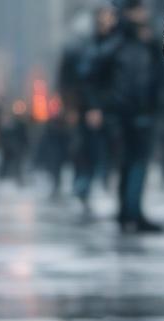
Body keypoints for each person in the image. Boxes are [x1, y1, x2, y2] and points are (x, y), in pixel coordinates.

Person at [94, 0, 164, 233]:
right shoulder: (117, 43)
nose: (143, 13)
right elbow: (92, 73)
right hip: (125, 113)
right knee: (132, 163)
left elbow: (161, 73)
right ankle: (129, 213)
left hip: (141, 111)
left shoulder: (145, 42)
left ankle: (130, 212)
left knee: (134, 163)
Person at [64, 5, 118, 212]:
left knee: (104, 148)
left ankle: (97, 183)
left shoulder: (116, 43)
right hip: (88, 109)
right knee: (87, 148)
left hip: (110, 107)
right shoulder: (86, 47)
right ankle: (84, 185)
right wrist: (77, 107)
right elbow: (79, 81)